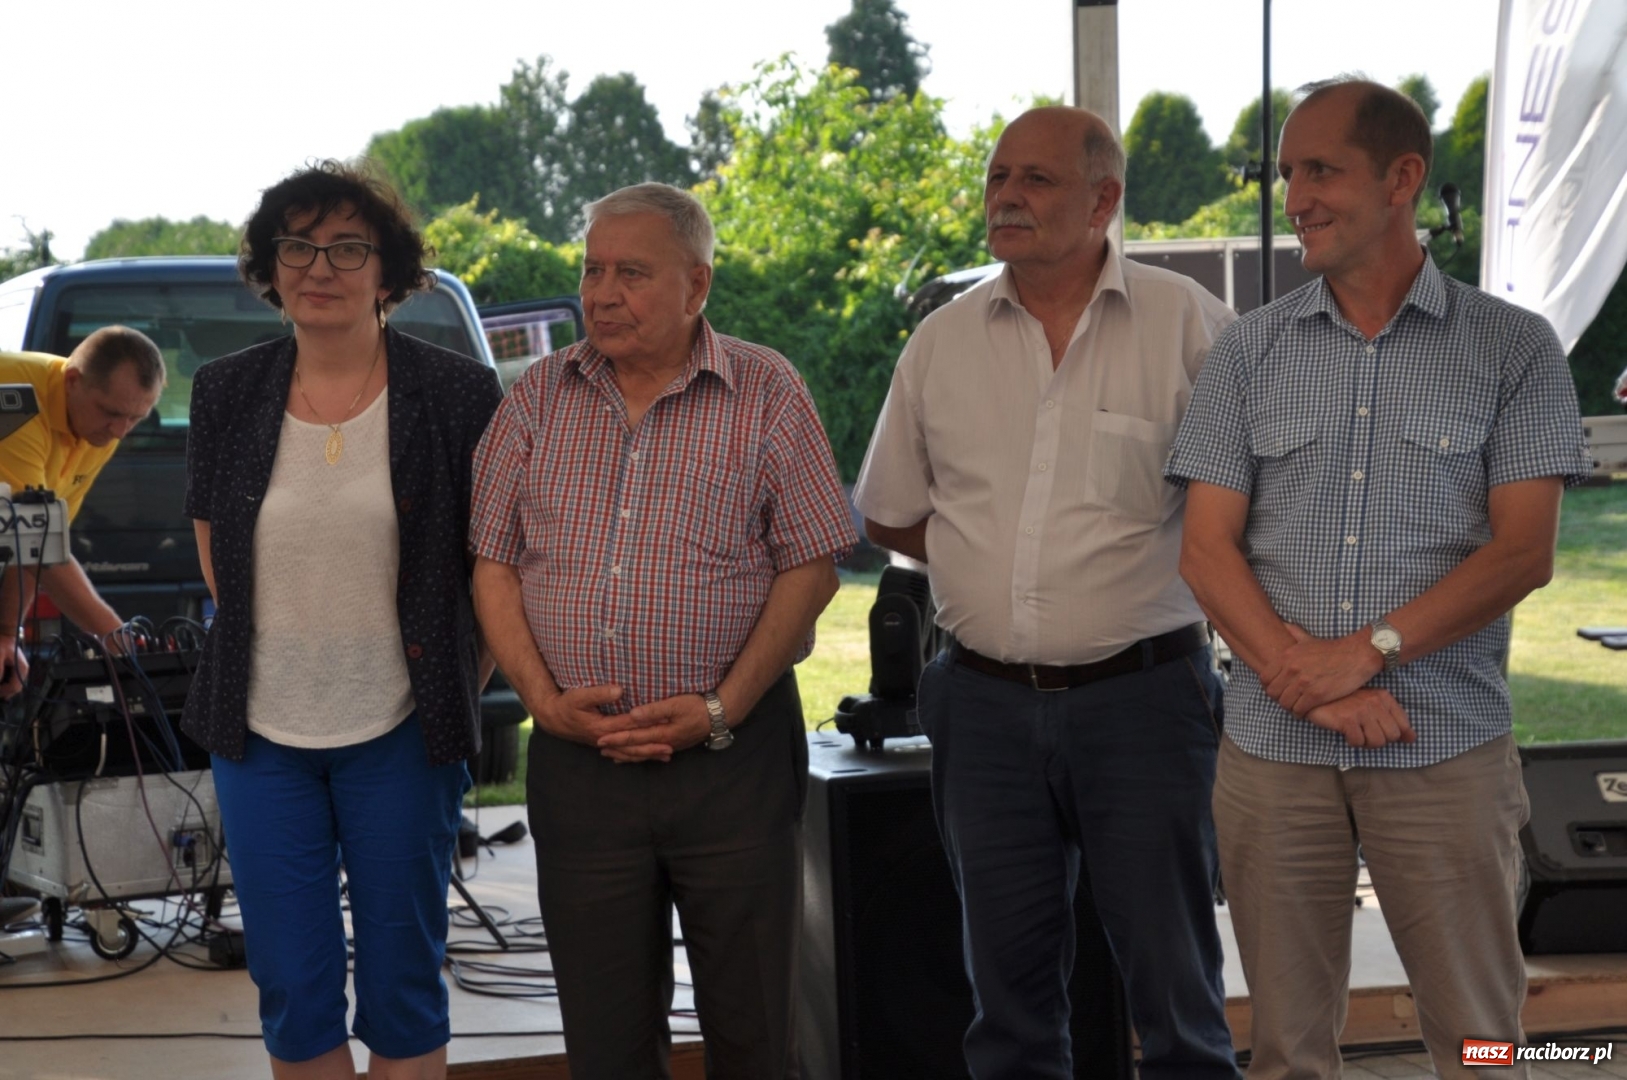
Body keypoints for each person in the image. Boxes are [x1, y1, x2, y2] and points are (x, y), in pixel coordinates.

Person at [1166, 78, 1591, 1080]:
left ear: (1403, 178)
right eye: (1287, 174)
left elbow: (1521, 552)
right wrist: (1305, 681)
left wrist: (1365, 656)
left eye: (1321, 170)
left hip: (1444, 743)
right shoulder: (1247, 351)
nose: (1294, 196)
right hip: (1273, 752)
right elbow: (1205, 550)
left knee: (1484, 1042)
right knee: (1283, 1050)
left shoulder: (1513, 347)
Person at [853, 106, 1241, 1079]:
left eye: (1035, 180)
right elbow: (890, 513)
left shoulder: (1191, 326)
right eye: (996, 179)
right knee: (1009, 1008)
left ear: (1104, 200)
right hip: (980, 708)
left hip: (1145, 704)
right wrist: (990, 572)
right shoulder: (942, 342)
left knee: (1177, 998)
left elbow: (1246, 513)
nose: (1006, 198)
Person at [469, 182, 855, 1079]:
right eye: (593, 270)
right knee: (603, 1041)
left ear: (697, 284)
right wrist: (542, 704)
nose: (601, 293)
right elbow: (492, 563)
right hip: (580, 764)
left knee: (754, 1026)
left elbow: (812, 566)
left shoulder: (765, 390)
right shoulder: (535, 400)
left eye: (631, 273)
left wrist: (721, 707)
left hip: (733, 763)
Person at [183, 160, 503, 1080]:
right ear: (271, 265)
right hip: (260, 733)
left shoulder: (456, 394)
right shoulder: (225, 391)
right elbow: (218, 551)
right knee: (292, 983)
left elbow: (491, 566)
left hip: (403, 729)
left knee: (405, 980)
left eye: (347, 248)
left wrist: (456, 678)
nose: (319, 266)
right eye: (298, 246)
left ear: (388, 270)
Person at [0, 327, 165, 693]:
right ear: (72, 380)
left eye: (136, 419)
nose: (121, 432)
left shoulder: (97, 423)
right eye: (113, 414)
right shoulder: (16, 397)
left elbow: (36, 546)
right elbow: (36, 541)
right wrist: (115, 636)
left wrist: (7, 635)